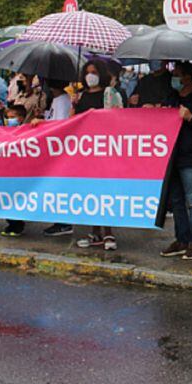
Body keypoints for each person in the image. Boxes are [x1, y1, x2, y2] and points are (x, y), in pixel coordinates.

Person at [157, 61, 192, 260]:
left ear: (189, 78)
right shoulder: (170, 97)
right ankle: (181, 239)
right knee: (177, 200)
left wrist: (190, 118)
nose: (174, 77)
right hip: (172, 156)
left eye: (178, 74)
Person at [74, 60, 122, 251]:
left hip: (104, 149)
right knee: (91, 191)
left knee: (105, 189)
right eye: (87, 72)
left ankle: (108, 231)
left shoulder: (108, 93)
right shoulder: (82, 96)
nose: (90, 75)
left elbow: (118, 117)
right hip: (86, 151)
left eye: (94, 72)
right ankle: (95, 231)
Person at [38, 80, 75, 237]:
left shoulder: (64, 101)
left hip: (60, 150)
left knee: (61, 186)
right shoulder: (56, 100)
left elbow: (59, 125)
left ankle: (64, 223)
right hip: (54, 148)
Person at [0, 104, 29, 237]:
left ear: (21, 118)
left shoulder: (28, 130)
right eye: (8, 117)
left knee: (16, 198)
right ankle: (11, 223)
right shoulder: (5, 130)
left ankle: (17, 225)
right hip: (7, 170)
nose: (10, 119)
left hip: (20, 171)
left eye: (13, 117)